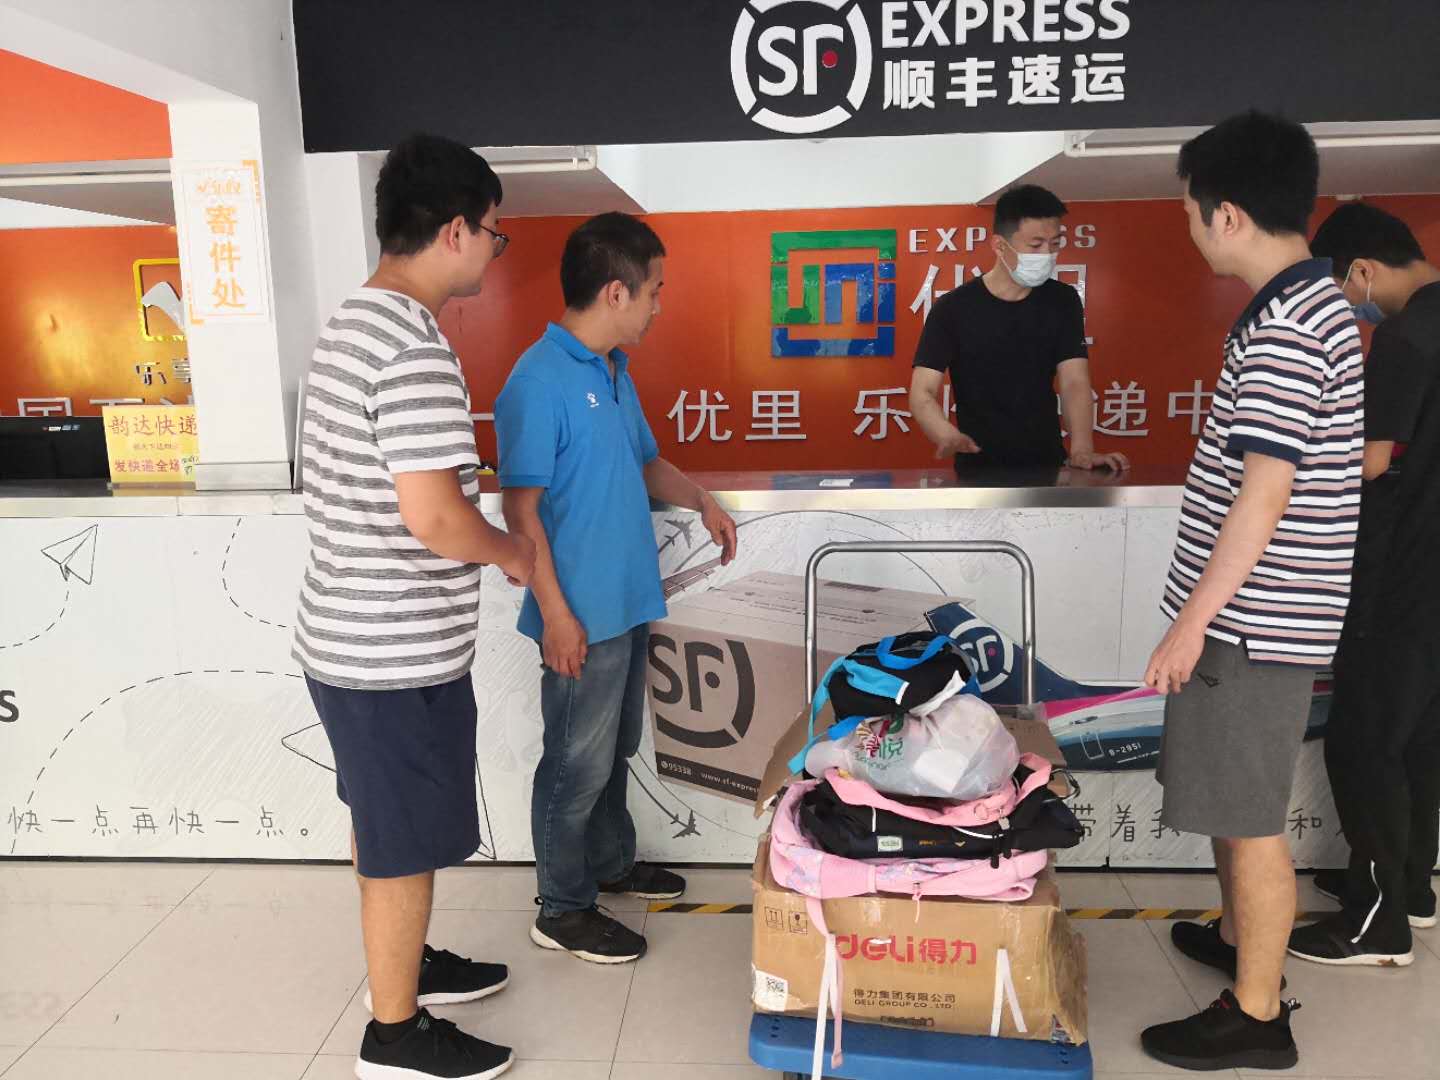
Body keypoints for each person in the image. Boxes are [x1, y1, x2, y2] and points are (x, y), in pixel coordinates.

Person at [293, 134, 536, 1080]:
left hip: (347, 638)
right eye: (494, 234)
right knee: (400, 842)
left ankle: (408, 965)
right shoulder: (412, 346)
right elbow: (435, 517)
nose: (494, 251)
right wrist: (512, 552)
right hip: (392, 654)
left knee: (383, 820)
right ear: (455, 230)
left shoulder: (352, 322)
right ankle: (393, 1037)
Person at [1139, 112, 1364, 1072]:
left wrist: (1192, 624)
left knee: (1250, 820)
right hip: (1259, 614)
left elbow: (1264, 492)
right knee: (1231, 805)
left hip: (1252, 622)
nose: (1192, 230)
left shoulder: (1288, 327)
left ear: (1227, 214)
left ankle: (1259, 1016)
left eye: (1192, 213)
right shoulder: (1309, 307)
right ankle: (1239, 940)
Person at [495, 212, 738, 965]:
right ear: (615, 292)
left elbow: (645, 461)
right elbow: (520, 509)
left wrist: (700, 499)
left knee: (614, 750)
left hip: (627, 602)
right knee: (574, 762)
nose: (659, 305)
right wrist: (557, 616)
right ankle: (562, 906)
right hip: (578, 615)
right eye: (654, 290)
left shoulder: (611, 370)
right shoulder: (538, 381)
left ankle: (608, 865)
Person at [1287, 202, 1440, 967]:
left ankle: (1376, 921)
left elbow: (1371, 462)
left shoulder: (1406, 336)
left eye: (1345, 291)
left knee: (1365, 739)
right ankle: (1409, 889)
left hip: (1400, 575)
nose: (1352, 307)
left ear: (1363, 270)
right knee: (1420, 738)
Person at [910, 184, 1129, 473]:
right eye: (1036, 245)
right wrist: (943, 432)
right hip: (977, 470)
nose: (1047, 254)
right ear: (1000, 246)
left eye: (1055, 244)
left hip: (1048, 465)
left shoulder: (1062, 300)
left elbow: (1074, 381)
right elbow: (922, 392)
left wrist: (1082, 451)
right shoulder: (953, 308)